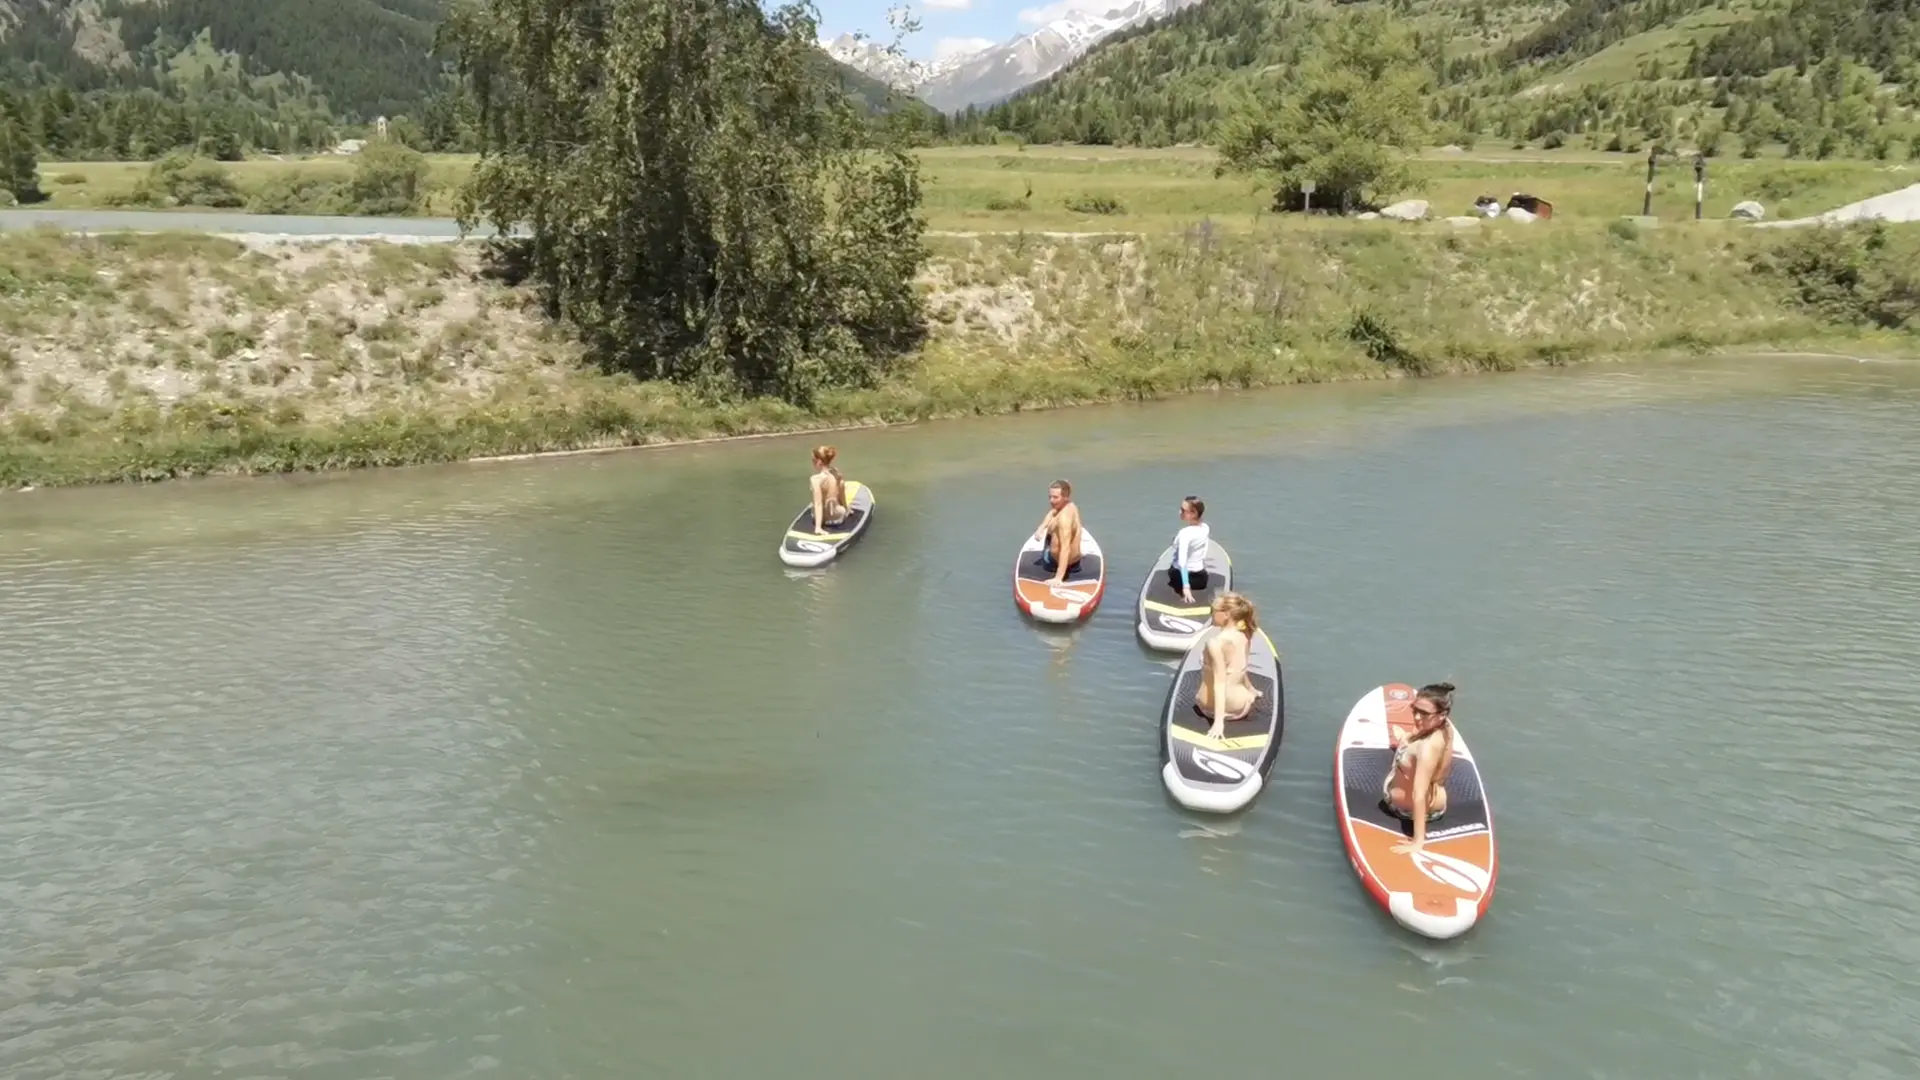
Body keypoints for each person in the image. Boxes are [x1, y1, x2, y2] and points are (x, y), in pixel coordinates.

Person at [1385, 682, 1457, 856]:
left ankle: (1405, 742)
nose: (1417, 717)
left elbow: (1419, 794)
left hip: (1404, 811)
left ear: (1442, 715)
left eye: (1424, 714)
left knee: (1407, 749)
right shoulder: (1446, 729)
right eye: (1414, 710)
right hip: (1438, 807)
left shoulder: (1426, 749)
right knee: (1409, 741)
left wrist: (1418, 842)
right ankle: (1406, 739)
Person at [1194, 591, 1262, 740]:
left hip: (1208, 708)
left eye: (1213, 610)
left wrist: (1218, 723)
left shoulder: (1215, 643)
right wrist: (1252, 690)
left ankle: (1220, 717)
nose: (1211, 614)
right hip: (1240, 707)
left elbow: (1220, 682)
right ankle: (1249, 695)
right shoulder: (1245, 635)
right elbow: (1241, 670)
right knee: (1247, 694)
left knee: (1209, 686)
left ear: (1226, 615)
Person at [1031, 479, 1083, 585]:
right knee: (1053, 519)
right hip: (1075, 562)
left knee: (1051, 528)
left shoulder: (1064, 519)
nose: (1051, 500)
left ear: (1065, 497)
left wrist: (1058, 578)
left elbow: (1065, 548)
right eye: (1050, 497)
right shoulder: (1071, 506)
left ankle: (1059, 572)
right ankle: (1044, 529)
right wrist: (1041, 527)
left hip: (1054, 562)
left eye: (1055, 497)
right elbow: (1053, 512)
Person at [1168, 495, 1211, 603]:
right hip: (1201, 579)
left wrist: (1186, 587)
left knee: (1173, 567)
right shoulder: (1205, 528)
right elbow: (1203, 549)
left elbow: (1183, 562)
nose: (1180, 512)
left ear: (1193, 513)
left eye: (1183, 510)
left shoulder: (1184, 534)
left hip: (1180, 580)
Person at [808, 445, 849, 534]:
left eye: (813, 460)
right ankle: (845, 509)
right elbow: (841, 488)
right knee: (838, 490)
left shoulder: (815, 479)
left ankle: (819, 526)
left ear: (818, 462)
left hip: (822, 519)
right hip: (837, 516)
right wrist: (846, 508)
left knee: (815, 504)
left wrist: (818, 527)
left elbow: (818, 503)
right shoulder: (835, 473)